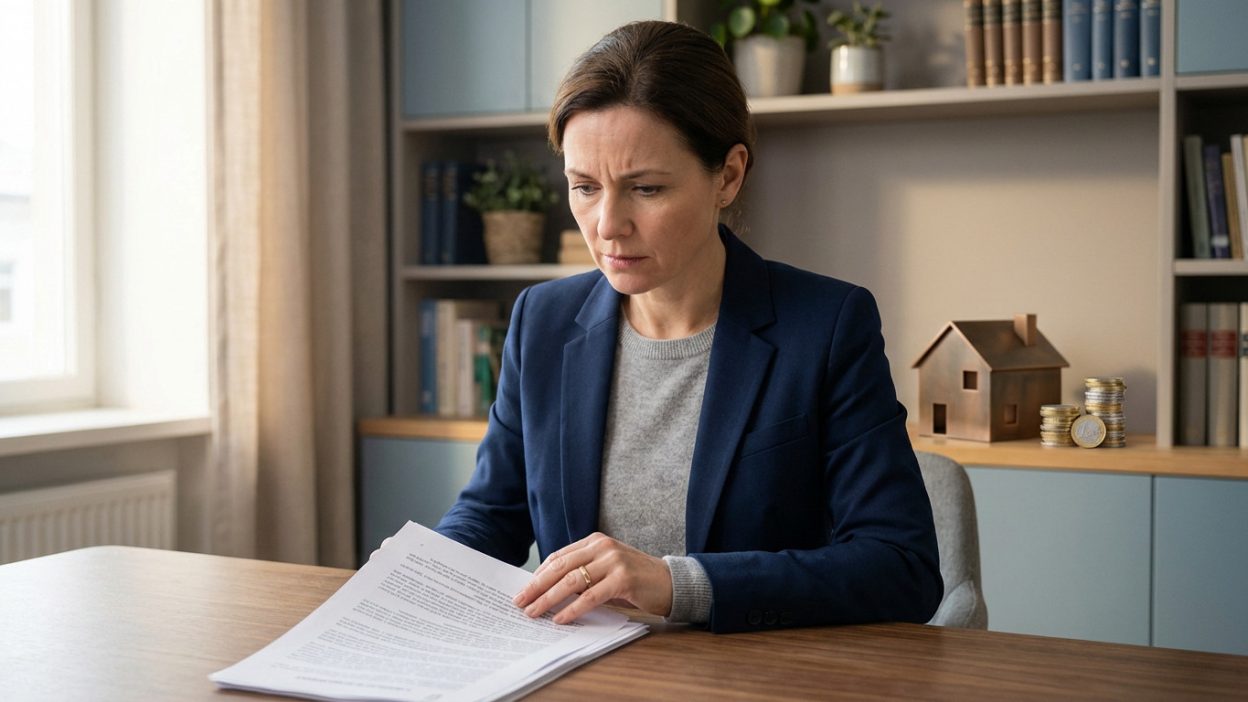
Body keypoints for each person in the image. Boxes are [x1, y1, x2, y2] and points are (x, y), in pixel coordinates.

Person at [433, 20, 942, 634]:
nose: (607, 224)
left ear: (727, 176)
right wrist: (421, 577)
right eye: (584, 187)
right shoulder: (542, 320)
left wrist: (678, 584)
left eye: (645, 188)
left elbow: (901, 567)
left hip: (749, 678)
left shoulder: (826, 326)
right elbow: (491, 515)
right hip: (579, 674)